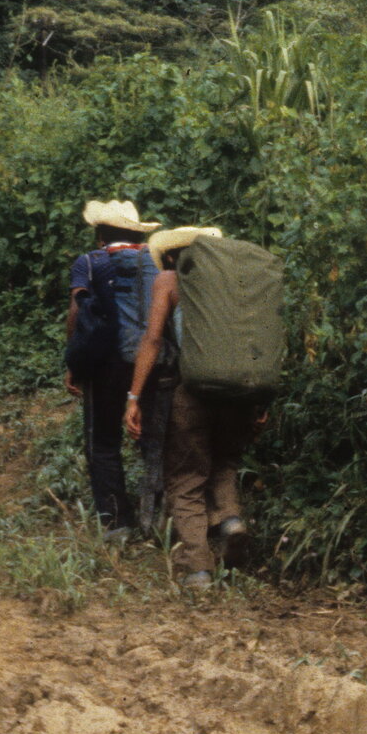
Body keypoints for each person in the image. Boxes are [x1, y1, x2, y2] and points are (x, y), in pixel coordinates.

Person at [123, 226, 252, 589]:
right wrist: (258, 398)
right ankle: (230, 521)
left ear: (169, 257)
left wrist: (134, 397)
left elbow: (151, 340)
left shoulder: (168, 280)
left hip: (191, 390)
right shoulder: (235, 282)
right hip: (237, 391)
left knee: (185, 479)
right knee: (223, 462)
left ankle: (198, 569)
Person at [64, 200, 161, 540]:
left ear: (101, 233)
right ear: (135, 232)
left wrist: (74, 361)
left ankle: (117, 523)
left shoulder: (90, 262)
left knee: (103, 442)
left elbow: (78, 311)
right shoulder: (154, 261)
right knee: (153, 439)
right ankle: (160, 520)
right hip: (153, 361)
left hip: (105, 363)